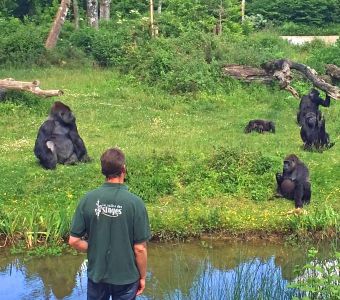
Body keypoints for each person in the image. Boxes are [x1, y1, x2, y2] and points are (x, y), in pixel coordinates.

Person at [69, 147, 151, 300]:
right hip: (127, 278)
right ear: (123, 169)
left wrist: (95, 249)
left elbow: (74, 241)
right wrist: (143, 277)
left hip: (97, 276)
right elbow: (140, 248)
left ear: (103, 171)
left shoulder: (87, 199)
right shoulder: (135, 203)